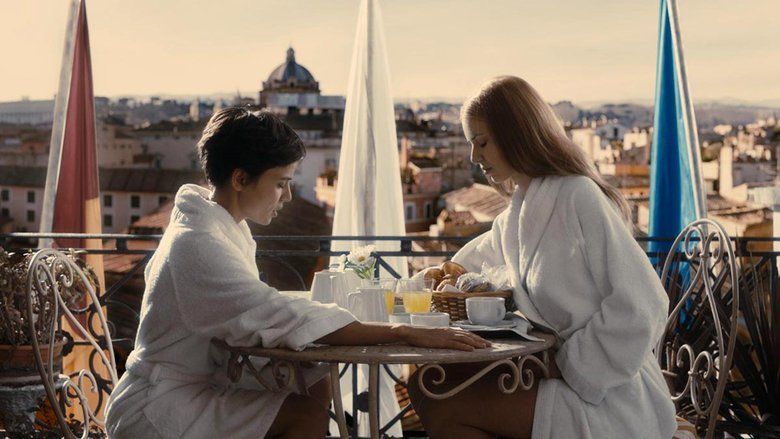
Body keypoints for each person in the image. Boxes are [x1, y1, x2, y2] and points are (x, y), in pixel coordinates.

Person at [104, 107, 489, 439]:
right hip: (160, 408)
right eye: (281, 183)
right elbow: (273, 311)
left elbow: (263, 307)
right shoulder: (199, 243)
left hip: (197, 385)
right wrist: (402, 331)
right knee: (304, 409)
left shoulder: (220, 226)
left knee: (312, 382)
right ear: (240, 178)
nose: (287, 197)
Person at [407, 76, 676, 439]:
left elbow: (645, 303)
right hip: (559, 377)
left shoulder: (578, 196)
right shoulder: (519, 214)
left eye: (482, 142)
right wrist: (425, 279)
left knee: (444, 402)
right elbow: (468, 266)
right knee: (425, 384)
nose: (474, 157)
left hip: (607, 394)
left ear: (515, 132)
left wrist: (564, 365)